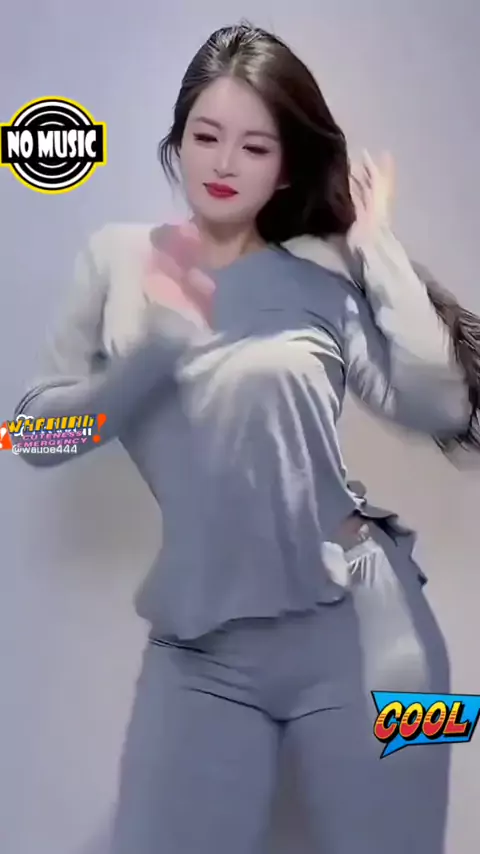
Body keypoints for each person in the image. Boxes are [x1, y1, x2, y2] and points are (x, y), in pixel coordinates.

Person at [13, 21, 480, 854]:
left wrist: (374, 249)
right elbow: (29, 437)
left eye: (255, 146)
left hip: (369, 630)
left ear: (285, 167)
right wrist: (150, 356)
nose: (224, 163)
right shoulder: (116, 262)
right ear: (177, 139)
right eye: (206, 136)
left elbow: (439, 405)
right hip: (203, 649)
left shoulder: (319, 287)